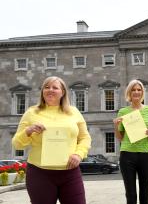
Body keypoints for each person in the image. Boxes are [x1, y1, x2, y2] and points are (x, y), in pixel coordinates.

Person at [12, 76, 91, 204]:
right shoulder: (31, 112)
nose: (50, 90)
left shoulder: (74, 112)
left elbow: (84, 138)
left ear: (63, 92)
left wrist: (79, 154)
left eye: (55, 88)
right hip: (39, 173)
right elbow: (17, 143)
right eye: (46, 87)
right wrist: (28, 130)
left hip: (70, 172)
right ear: (42, 91)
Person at [113, 79, 148, 204]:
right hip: (127, 154)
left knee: (145, 195)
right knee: (131, 195)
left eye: (139, 90)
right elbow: (120, 138)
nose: (136, 92)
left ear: (142, 92)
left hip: (146, 154)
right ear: (129, 92)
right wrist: (116, 126)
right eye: (133, 90)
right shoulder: (123, 112)